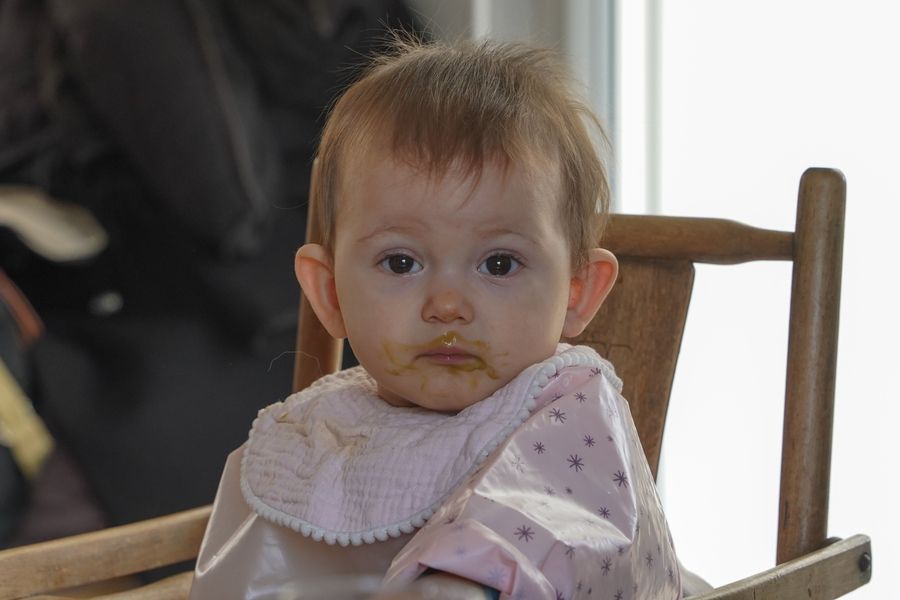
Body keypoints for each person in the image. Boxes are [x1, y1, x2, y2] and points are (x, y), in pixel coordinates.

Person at [189, 36, 682, 600]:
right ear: (329, 294)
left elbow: (554, 531)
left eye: (499, 264)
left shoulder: (569, 407)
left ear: (577, 291)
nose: (447, 304)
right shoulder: (316, 434)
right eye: (401, 262)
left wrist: (461, 583)